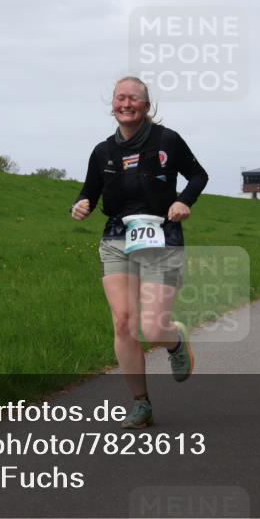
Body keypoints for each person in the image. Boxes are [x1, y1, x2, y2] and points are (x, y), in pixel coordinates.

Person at [71, 76, 208, 429]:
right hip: (117, 237)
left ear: (147, 106)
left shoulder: (167, 140)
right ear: (112, 105)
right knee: (123, 322)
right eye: (120, 98)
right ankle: (141, 404)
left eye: (134, 98)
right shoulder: (103, 152)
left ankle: (174, 342)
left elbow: (198, 176)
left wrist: (183, 200)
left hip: (162, 236)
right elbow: (89, 191)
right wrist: (81, 205)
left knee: (151, 326)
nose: (126, 103)